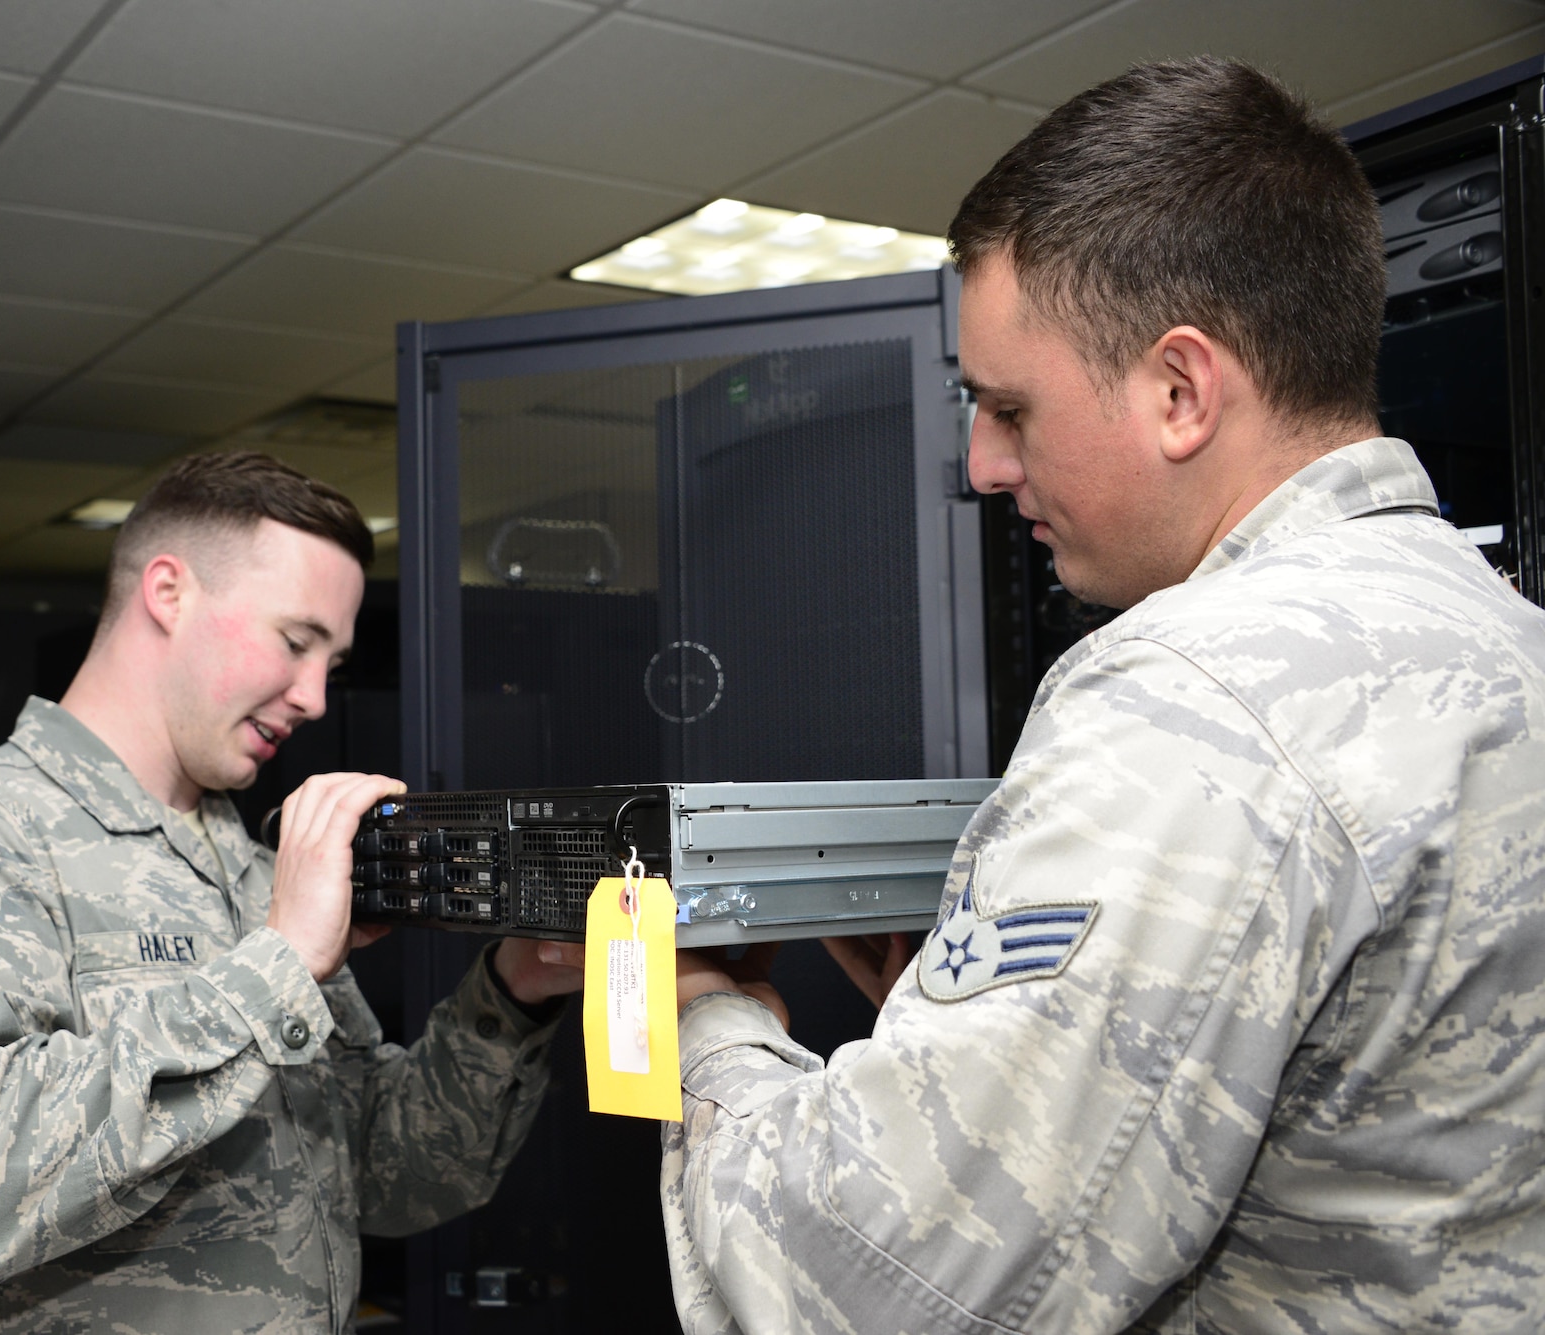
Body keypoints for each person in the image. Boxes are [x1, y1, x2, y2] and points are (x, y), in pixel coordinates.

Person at [661, 58, 1545, 1334]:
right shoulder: (1503, 638)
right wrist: (970, 1044)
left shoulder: (1189, 695)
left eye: (1008, 407)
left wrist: (703, 1020)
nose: (978, 463)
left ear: (1178, 391)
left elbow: (850, 1285)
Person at [0, 451, 582, 1334]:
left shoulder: (254, 866)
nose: (315, 697)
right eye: (296, 643)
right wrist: (278, 964)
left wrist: (514, 992)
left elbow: (384, 1167)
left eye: (330, 660)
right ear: (169, 592)